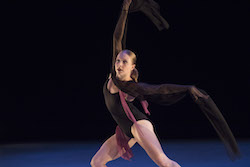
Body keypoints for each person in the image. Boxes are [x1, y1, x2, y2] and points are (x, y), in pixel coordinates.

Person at [90, 0, 240, 166]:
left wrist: (188, 88)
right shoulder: (114, 73)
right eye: (118, 60)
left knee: (163, 162)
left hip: (137, 126)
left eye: (124, 62)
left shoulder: (131, 87)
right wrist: (125, 9)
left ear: (133, 67)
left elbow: (160, 89)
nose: (119, 64)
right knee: (97, 162)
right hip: (124, 131)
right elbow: (117, 37)